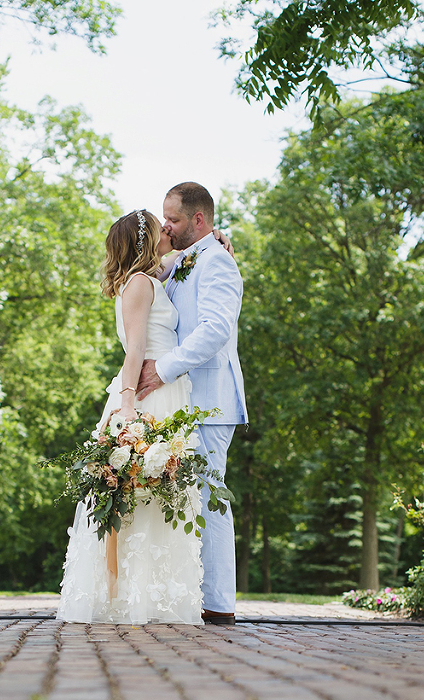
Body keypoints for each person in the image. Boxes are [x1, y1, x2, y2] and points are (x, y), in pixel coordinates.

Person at [57, 209, 204, 625]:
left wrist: (216, 242)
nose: (166, 230)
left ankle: (147, 597)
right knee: (144, 494)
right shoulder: (140, 284)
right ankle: (128, 599)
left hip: (166, 389)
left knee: (158, 493)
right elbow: (135, 349)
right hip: (148, 394)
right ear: (145, 240)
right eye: (160, 227)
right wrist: (126, 407)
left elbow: (180, 260)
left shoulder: (147, 279)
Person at [137, 182, 247, 626]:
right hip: (183, 402)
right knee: (183, 500)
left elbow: (216, 329)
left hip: (210, 400)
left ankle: (219, 604)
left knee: (209, 499)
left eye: (175, 219)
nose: (166, 225)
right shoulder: (181, 260)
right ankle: (189, 596)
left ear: (199, 220)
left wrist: (162, 369)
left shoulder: (217, 261)